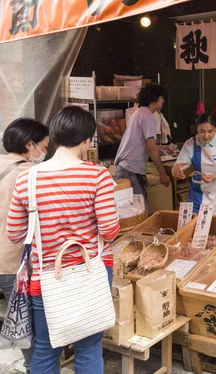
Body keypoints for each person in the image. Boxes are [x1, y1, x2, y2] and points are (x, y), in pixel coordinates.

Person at [6, 107, 120, 374]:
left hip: (45, 277)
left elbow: (14, 233)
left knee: (46, 348)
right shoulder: (97, 176)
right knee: (89, 348)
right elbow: (110, 230)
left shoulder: (28, 178)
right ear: (86, 139)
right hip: (90, 271)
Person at [0, 118, 49, 374]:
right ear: (29, 145)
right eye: (44, 145)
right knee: (26, 321)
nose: (45, 152)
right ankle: (34, 367)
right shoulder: (31, 174)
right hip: (13, 261)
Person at [172, 113, 216, 215]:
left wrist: (214, 176)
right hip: (198, 191)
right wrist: (176, 170)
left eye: (210, 131)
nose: (206, 136)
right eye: (202, 131)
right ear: (196, 128)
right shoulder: (190, 143)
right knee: (195, 223)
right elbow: (178, 166)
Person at [114, 84, 170, 203]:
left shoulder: (139, 112)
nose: (163, 100)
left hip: (124, 168)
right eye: (162, 97)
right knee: (138, 210)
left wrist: (158, 147)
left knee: (128, 211)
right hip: (131, 171)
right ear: (155, 97)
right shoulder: (148, 116)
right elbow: (150, 146)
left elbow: (142, 142)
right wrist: (162, 173)